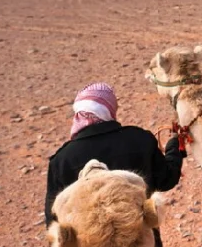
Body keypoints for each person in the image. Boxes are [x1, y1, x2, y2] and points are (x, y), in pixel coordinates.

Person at [45, 82, 185, 247]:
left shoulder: (62, 161)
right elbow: (167, 179)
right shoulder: (140, 139)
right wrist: (174, 146)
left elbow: (54, 223)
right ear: (110, 109)